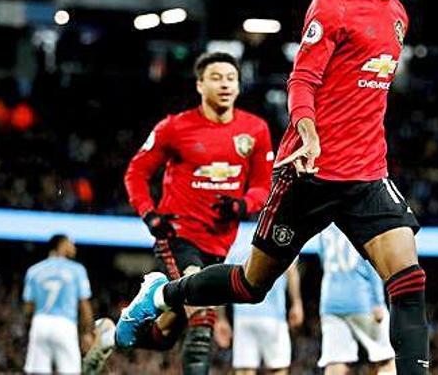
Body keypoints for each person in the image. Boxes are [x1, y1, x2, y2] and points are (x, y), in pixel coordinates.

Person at [116, 0, 430, 374]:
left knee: (409, 280)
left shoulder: (399, 15)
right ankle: (162, 293)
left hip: (367, 174)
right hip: (310, 171)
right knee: (249, 285)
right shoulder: (333, 3)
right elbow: (302, 79)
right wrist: (306, 128)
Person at [89, 51, 273, 375]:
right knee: (202, 318)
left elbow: (262, 185)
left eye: (231, 78)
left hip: (218, 245)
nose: (225, 84)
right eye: (216, 78)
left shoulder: (255, 130)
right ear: (200, 84)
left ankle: (112, 334)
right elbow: (136, 173)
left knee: (164, 337)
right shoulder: (175, 127)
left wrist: (243, 205)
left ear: (240, 87)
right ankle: (152, 300)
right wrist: (149, 214)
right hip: (178, 236)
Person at [317, 223, 395, 374]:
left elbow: (322, 259)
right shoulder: (359, 219)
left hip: (330, 302)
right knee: (386, 359)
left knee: (335, 361)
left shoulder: (325, 225)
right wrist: (378, 302)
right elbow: (373, 263)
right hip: (362, 300)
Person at [222, 245, 303, 375]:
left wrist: (221, 318)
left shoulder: (236, 237)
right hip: (274, 316)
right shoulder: (276, 227)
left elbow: (223, 279)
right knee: (278, 368)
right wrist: (297, 303)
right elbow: (291, 270)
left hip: (243, 317)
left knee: (244, 369)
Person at [23, 234, 94, 374]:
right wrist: (87, 333)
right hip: (65, 324)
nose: (74, 247)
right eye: (71, 243)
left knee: (38, 371)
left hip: (40, 322)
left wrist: (31, 329)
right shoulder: (77, 270)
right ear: (61, 244)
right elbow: (84, 305)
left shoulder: (34, 271)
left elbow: (28, 309)